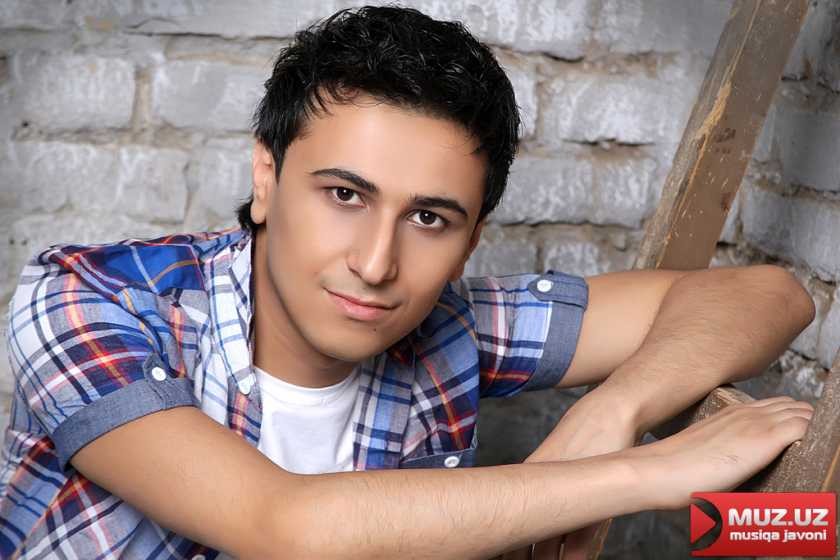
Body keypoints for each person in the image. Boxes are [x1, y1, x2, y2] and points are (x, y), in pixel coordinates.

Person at [0, 5, 816, 560]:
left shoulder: (444, 329)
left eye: (429, 218)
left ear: (470, 241)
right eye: (344, 195)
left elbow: (768, 297)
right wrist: (640, 473)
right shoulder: (86, 299)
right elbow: (283, 526)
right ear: (266, 177)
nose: (376, 263)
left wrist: (613, 411)